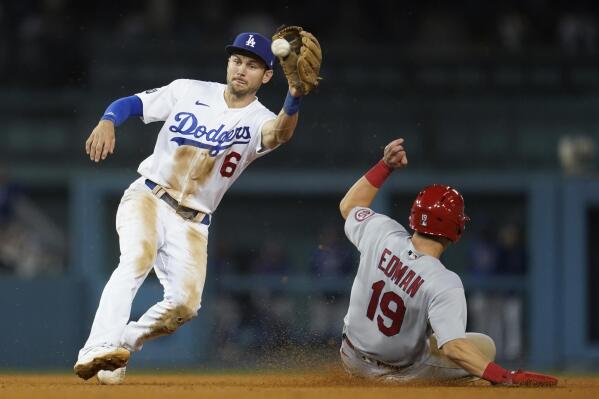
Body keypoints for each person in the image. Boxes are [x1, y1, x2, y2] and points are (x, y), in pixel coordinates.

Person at [74, 31, 313, 383]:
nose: (240, 69)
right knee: (135, 260)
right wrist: (108, 119)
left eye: (251, 65)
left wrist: (293, 96)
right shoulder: (189, 90)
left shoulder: (259, 119)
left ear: (266, 76)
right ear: (228, 62)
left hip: (193, 222)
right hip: (150, 196)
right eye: (236, 60)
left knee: (185, 306)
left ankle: (123, 341)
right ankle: (96, 346)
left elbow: (280, 133)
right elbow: (133, 104)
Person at [337, 138, 558, 386]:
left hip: (350, 357)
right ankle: (460, 384)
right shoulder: (444, 281)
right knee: (485, 347)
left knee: (432, 337)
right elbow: (454, 348)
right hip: (396, 374)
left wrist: (385, 165)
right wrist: (504, 376)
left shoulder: (382, 231)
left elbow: (349, 206)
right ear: (456, 230)